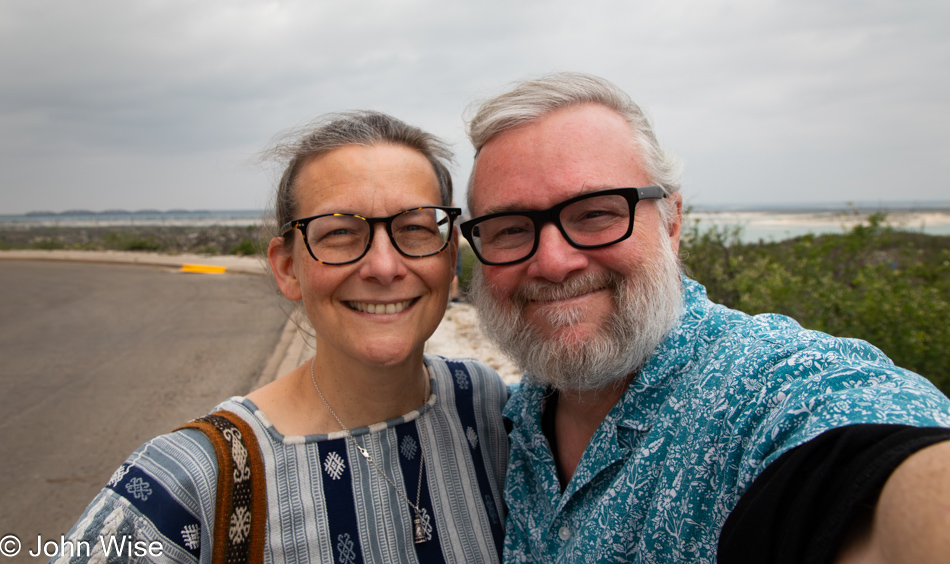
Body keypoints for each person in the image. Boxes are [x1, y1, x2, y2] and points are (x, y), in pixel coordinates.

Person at [459, 72, 950, 563]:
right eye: (510, 229)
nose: (553, 262)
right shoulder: (508, 424)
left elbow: (879, 457)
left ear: (671, 223)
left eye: (595, 214)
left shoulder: (763, 388)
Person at [55, 111, 507, 563]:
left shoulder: (485, 408)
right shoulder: (188, 487)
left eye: (414, 228)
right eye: (341, 234)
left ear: (450, 262)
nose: (384, 267)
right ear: (288, 269)